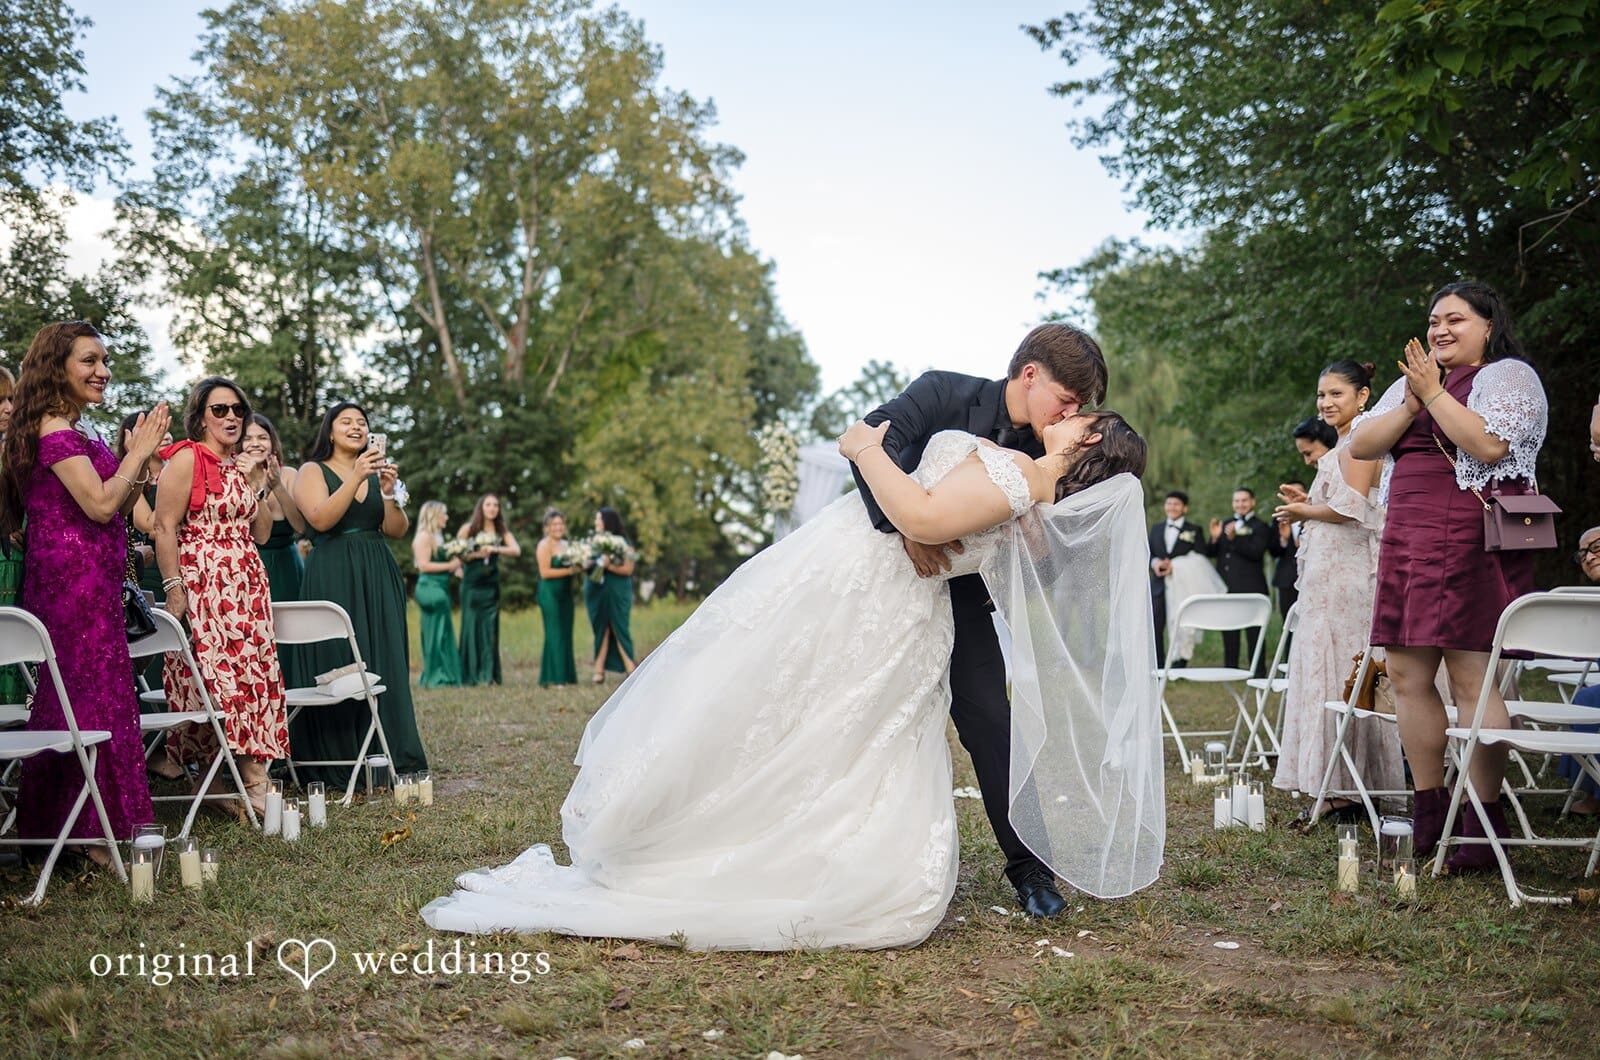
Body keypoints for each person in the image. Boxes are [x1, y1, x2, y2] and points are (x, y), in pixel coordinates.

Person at [422, 411, 1161, 948]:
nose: (1068, 416)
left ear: (1090, 439)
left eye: (1082, 417)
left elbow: (923, 516)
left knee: (805, 714)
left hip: (872, 591)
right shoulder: (1029, 496)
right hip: (874, 591)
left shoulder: (1018, 478)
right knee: (795, 708)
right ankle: (768, 837)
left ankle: (753, 844)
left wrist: (867, 448)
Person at [841, 324, 1109, 918]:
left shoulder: (1051, 449)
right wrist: (905, 529)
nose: (1071, 413)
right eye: (1067, 399)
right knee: (854, 711)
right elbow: (868, 446)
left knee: (992, 720)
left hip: (961, 597)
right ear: (1030, 373)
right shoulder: (941, 392)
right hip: (881, 580)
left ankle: (1029, 869)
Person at [1350, 281, 1547, 871]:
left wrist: (1434, 394)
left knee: (1472, 681)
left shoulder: (1509, 376)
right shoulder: (1409, 385)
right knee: (1409, 675)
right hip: (1408, 537)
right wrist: (1413, 400)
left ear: (1487, 326)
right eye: (1434, 320)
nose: (1440, 330)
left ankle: (1482, 821)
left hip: (1468, 535)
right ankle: (1429, 808)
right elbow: (1363, 443)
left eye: (1455, 320)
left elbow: (1486, 445)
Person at [0, 321, 170, 860]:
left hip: (95, 579)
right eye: (89, 361)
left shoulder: (79, 430)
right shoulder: (54, 430)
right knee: (82, 698)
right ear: (58, 368)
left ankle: (84, 825)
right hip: (69, 584)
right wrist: (137, 451)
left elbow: (117, 507)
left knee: (100, 695)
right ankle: (83, 829)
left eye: (104, 361)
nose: (103, 371)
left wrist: (140, 465)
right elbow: (98, 505)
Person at [152, 378, 288, 816]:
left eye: (237, 410)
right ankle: (225, 779)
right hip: (204, 582)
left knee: (254, 677)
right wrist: (174, 588)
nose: (231, 417)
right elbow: (164, 526)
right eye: (220, 409)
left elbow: (262, 533)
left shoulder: (241, 465)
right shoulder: (189, 458)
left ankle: (249, 778)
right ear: (201, 416)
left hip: (246, 584)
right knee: (213, 681)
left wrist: (257, 484)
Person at [1272, 394, 1404, 822]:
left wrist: (1303, 510)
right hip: (1329, 576)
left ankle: (1347, 786)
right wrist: (1306, 500)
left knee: (1343, 672)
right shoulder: (1344, 446)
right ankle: (1331, 782)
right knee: (1322, 672)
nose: (1325, 402)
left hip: (1346, 580)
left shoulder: (1360, 443)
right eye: (1320, 395)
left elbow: (1352, 510)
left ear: (1362, 395)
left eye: (1335, 393)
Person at [290, 402, 428, 782]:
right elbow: (319, 518)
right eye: (346, 422)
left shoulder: (375, 475)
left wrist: (386, 492)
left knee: (384, 655)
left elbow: (398, 529)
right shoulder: (311, 471)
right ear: (330, 432)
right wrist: (356, 476)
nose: (355, 427)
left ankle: (390, 752)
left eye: (362, 422)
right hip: (333, 571)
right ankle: (340, 757)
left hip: (377, 570)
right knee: (339, 657)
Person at [1205, 488, 1272, 674]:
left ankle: (1258, 672)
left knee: (1254, 633)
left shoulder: (1261, 526)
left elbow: (1256, 552)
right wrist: (1214, 538)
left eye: (1244, 500)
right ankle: (1230, 669)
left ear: (1252, 502)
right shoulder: (1225, 523)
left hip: (1251, 588)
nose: (1240, 504)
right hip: (1227, 587)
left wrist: (1234, 539)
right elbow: (1211, 553)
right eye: (1237, 501)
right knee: (1229, 631)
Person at [241, 413, 306, 601]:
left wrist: (277, 486)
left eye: (262, 438)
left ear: (272, 442)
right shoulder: (232, 476)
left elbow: (300, 526)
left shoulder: (289, 474)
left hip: (287, 567)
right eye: (248, 438)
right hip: (248, 566)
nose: (255, 443)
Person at [458, 493, 519, 686]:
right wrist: (477, 553)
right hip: (472, 584)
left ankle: (489, 674)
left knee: (490, 629)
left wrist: (495, 549)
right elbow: (458, 553)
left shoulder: (501, 531)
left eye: (496, 505)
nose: (492, 508)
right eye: (488, 505)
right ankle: (471, 674)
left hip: (490, 586)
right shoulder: (469, 529)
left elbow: (516, 550)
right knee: (471, 627)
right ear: (481, 508)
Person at [1148, 491, 1205, 667]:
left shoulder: (1194, 530)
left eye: (1176, 504)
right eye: (1169, 503)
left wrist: (1177, 565)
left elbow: (1200, 557)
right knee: (1156, 624)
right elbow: (1148, 553)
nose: (1172, 507)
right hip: (1158, 585)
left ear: (1185, 508)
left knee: (1183, 623)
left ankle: (1180, 664)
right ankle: (1158, 665)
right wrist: (1155, 563)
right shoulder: (1156, 529)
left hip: (1183, 586)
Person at [412, 501, 463, 688]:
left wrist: (455, 569)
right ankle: (436, 674)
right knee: (436, 632)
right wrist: (450, 566)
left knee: (443, 631)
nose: (447, 518)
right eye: (444, 514)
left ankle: (445, 671)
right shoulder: (424, 537)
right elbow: (424, 565)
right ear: (434, 515)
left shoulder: (438, 537)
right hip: (430, 588)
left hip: (440, 586)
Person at [585, 506, 636, 683]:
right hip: (596, 590)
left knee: (618, 624)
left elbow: (629, 568)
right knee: (601, 627)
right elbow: (586, 564)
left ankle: (630, 666)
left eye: (599, 519)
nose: (596, 522)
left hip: (617, 589)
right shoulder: (593, 541)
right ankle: (598, 669)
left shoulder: (623, 543)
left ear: (608, 522)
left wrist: (609, 565)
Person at [535, 507, 579, 687]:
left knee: (566, 632)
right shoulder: (544, 545)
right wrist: (570, 570)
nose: (558, 527)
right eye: (554, 524)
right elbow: (544, 572)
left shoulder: (567, 545)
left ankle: (567, 675)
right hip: (549, 594)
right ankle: (555, 678)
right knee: (554, 632)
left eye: (561, 523)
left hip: (566, 594)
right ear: (547, 527)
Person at [1268, 483, 1302, 619]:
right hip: (1286, 578)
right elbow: (1273, 552)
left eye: (1297, 493)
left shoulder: (1315, 517)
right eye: (1290, 493)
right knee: (1287, 621)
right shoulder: (1278, 520)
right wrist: (1284, 539)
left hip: (1310, 576)